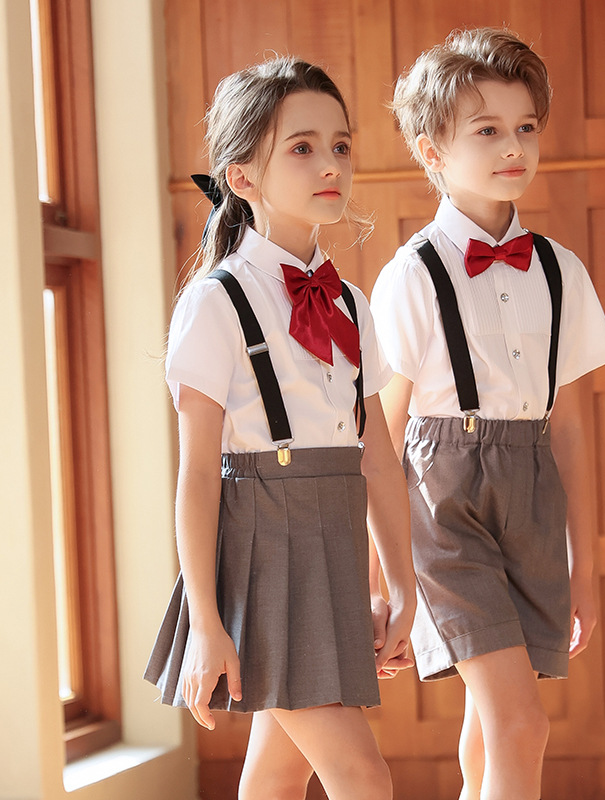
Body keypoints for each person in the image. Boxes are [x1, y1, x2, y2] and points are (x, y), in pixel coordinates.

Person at [144, 57, 415, 800]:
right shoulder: (214, 303)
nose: (330, 164)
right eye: (301, 147)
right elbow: (198, 475)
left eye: (341, 145)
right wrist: (207, 622)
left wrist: (401, 584)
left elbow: (378, 460)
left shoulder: (353, 303)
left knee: (276, 776)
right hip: (260, 558)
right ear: (241, 177)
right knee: (364, 777)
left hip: (332, 545)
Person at [371, 28, 605, 800]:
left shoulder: (562, 270)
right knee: (521, 725)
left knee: (490, 728)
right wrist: (380, 580)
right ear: (432, 151)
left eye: (526, 127)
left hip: (533, 492)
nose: (514, 146)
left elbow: (568, 428)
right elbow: (380, 435)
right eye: (487, 131)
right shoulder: (411, 274)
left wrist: (584, 565)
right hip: (443, 502)